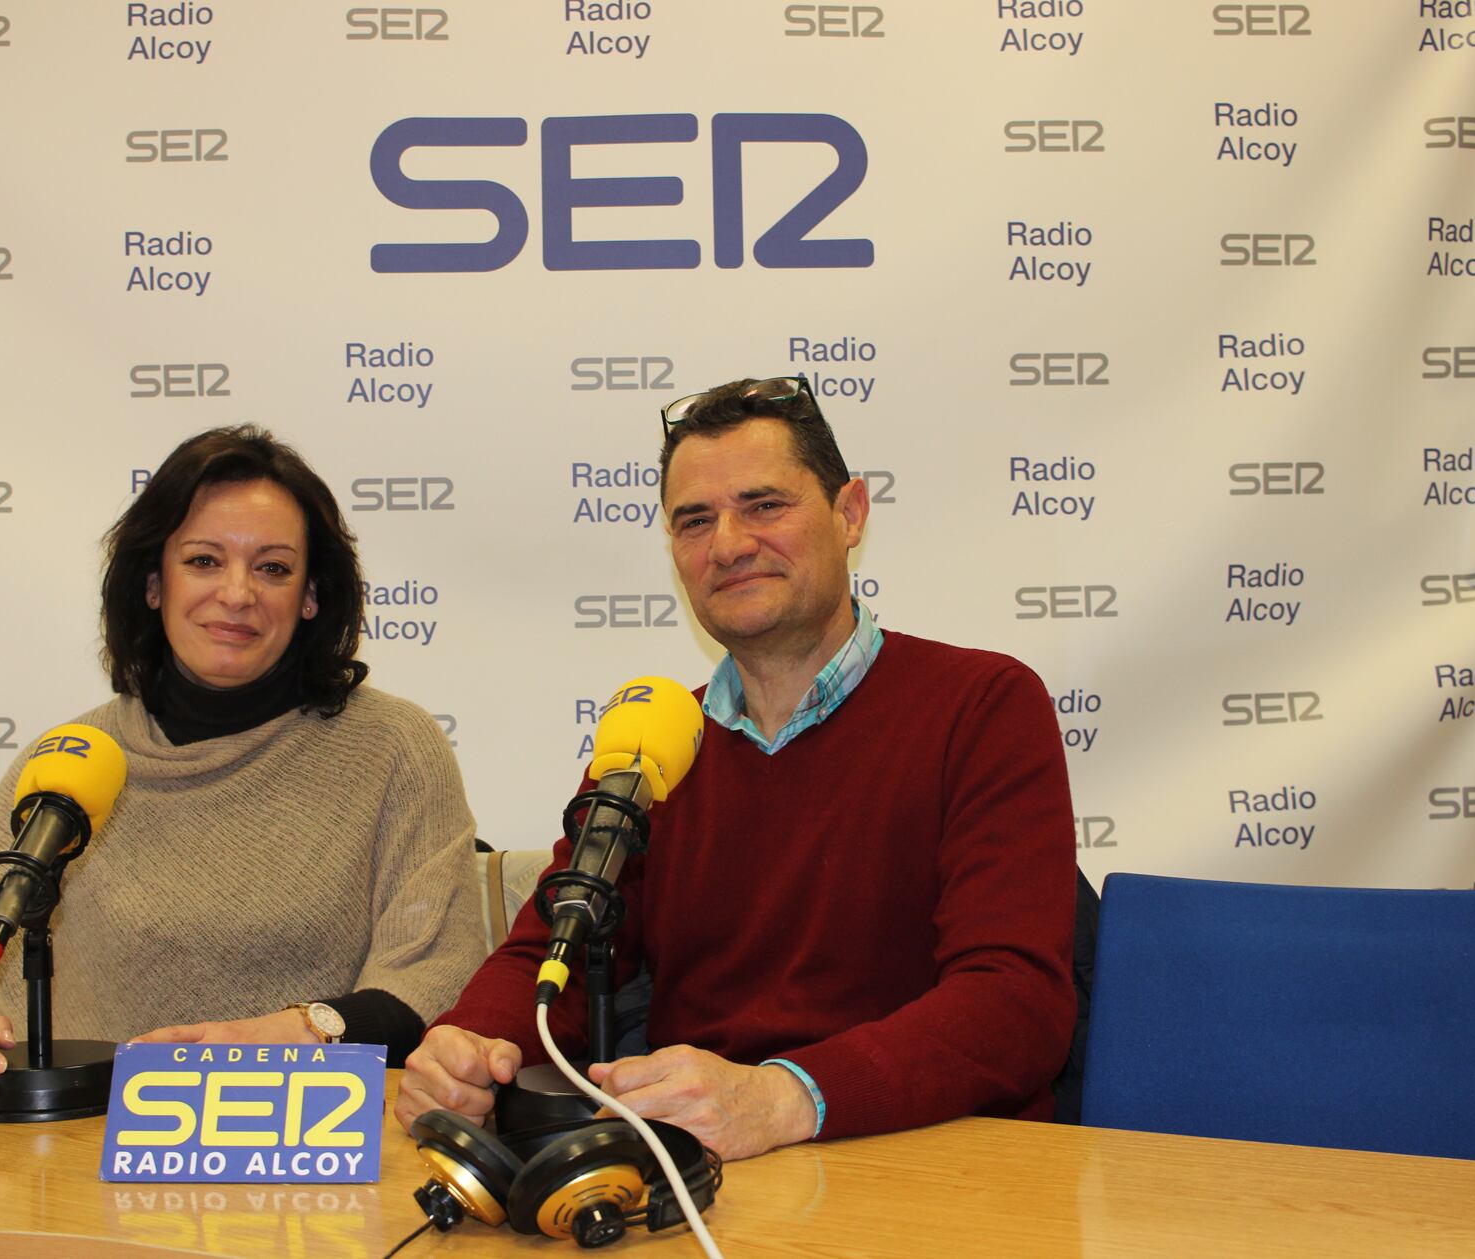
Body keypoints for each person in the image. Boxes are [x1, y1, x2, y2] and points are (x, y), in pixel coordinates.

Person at [395, 376, 1076, 1160]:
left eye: (764, 505)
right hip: (707, 1169)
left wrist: (785, 1096)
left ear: (850, 512)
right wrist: (469, 1045)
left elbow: (1016, 1003)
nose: (727, 544)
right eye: (695, 520)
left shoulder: (983, 704)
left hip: (938, 1162)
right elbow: (554, 956)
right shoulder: (655, 740)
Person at [0, 425, 483, 1122]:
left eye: (272, 568)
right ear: (154, 582)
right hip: (88, 1149)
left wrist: (302, 1031)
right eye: (204, 560)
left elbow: (433, 982)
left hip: (313, 1149)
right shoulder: (70, 761)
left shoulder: (394, 748)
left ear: (311, 596)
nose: (236, 593)